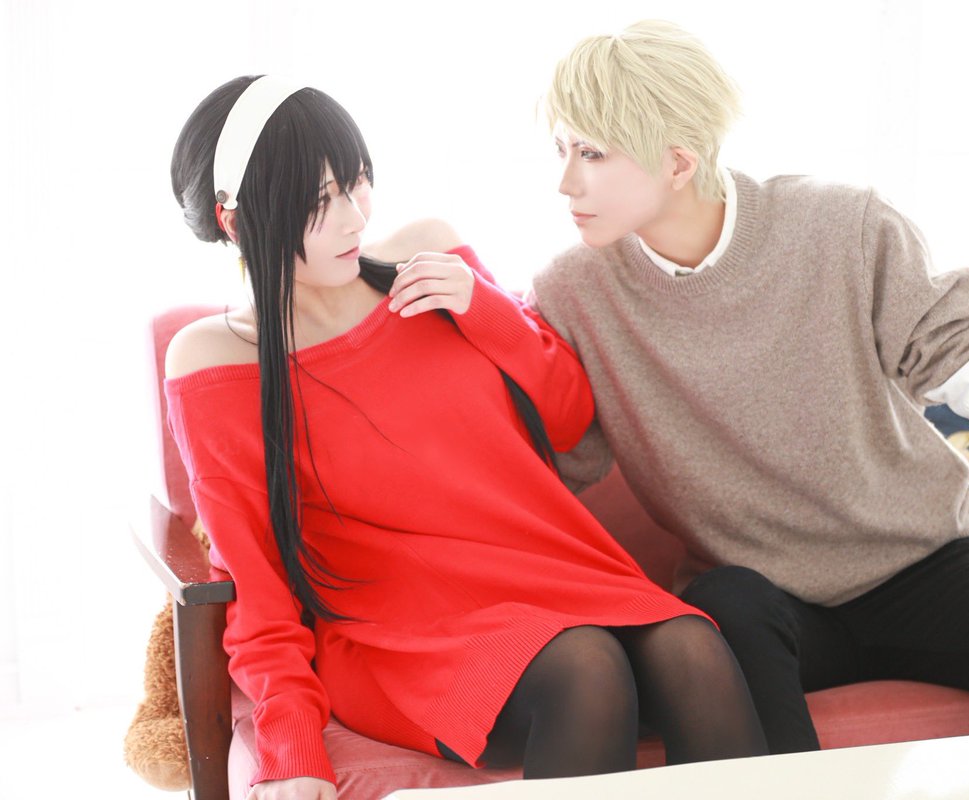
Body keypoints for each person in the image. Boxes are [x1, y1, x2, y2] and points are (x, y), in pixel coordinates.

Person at [529, 20, 969, 756]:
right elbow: (553, 457)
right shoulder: (574, 291)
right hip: (764, 603)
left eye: (592, 154)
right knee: (719, 610)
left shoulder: (841, 225)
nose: (566, 182)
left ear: (678, 162)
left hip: (925, 566)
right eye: (562, 150)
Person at [165, 75, 766, 800]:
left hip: (553, 572)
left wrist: (485, 308)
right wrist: (291, 744)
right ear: (236, 221)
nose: (355, 219)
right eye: (320, 203)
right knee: (586, 670)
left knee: (694, 649)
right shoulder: (216, 357)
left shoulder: (426, 259)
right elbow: (252, 572)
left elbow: (570, 416)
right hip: (400, 634)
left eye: (357, 183)